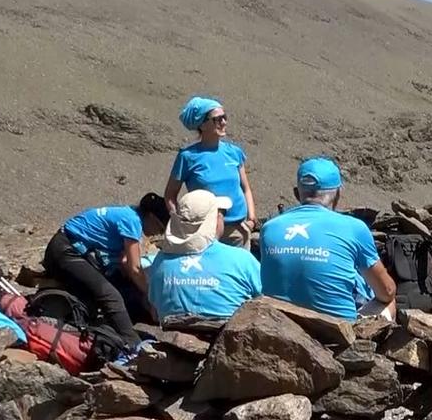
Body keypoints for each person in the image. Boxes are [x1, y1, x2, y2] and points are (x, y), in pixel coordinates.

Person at [259, 158, 397, 321]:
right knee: (389, 300)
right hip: (338, 333)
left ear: (297, 193)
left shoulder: (269, 228)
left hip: (279, 325)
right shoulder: (354, 228)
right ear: (338, 193)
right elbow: (386, 291)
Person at [42, 193, 169, 346]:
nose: (158, 233)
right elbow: (134, 267)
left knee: (124, 286)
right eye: (160, 228)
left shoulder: (128, 214)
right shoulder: (132, 221)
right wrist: (152, 298)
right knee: (111, 296)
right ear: (150, 216)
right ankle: (133, 345)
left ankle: (124, 323)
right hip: (65, 251)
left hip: (68, 247)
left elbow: (124, 262)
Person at [147, 190, 262, 323]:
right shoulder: (242, 260)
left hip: (173, 334)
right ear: (214, 220)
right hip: (228, 337)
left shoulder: (160, 263)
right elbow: (267, 299)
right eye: (220, 214)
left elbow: (155, 312)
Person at [164, 96, 257, 249]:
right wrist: (180, 222)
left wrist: (251, 219)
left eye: (224, 117)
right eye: (217, 119)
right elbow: (170, 195)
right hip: (205, 231)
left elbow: (245, 188)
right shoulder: (187, 157)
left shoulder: (234, 152)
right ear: (202, 124)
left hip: (238, 230)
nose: (224, 122)